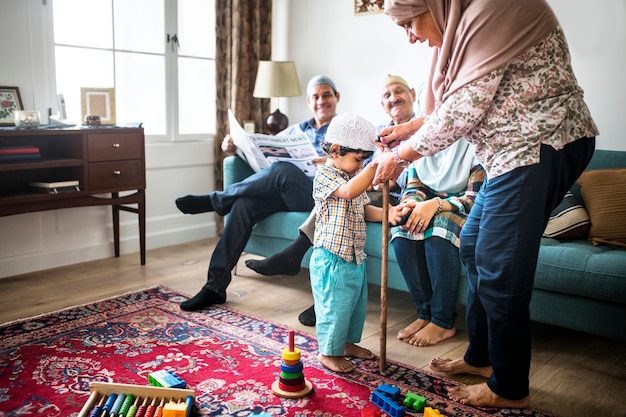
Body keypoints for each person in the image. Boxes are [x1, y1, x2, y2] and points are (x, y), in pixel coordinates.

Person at [374, 0, 598, 409]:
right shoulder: (465, 23)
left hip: (542, 143)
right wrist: (409, 127)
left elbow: (464, 108)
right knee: (473, 244)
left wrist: (402, 154)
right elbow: (462, 102)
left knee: (500, 269)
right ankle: (483, 357)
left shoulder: (492, 10)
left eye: (410, 23)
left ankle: (510, 387)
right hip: (510, 155)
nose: (411, 36)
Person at [245, 74, 418, 326]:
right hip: (367, 189)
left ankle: (294, 255)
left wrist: (384, 176)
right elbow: (362, 172)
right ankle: (317, 294)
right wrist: (368, 171)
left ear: (412, 93)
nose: (393, 98)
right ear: (382, 105)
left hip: (394, 193)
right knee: (334, 192)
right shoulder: (379, 133)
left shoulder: (426, 133)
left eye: (399, 91)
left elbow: (386, 176)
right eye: (387, 95)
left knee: (341, 195)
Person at [175, 75, 340, 311]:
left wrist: (330, 162)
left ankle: (218, 199)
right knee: (244, 204)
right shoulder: (295, 131)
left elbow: (358, 165)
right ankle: (215, 287)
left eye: (327, 95)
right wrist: (234, 148)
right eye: (316, 96)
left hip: (318, 198)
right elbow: (264, 157)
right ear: (308, 101)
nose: (321, 101)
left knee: (283, 170)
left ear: (337, 98)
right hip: (287, 193)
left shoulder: (344, 129)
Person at [308, 112, 403, 373]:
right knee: (334, 309)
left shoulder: (349, 176)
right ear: (336, 150)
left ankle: (345, 344)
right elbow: (349, 193)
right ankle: (328, 352)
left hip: (353, 257)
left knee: (352, 307)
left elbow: (363, 209)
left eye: (364, 161)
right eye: (358, 159)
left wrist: (389, 213)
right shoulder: (325, 176)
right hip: (332, 258)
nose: (361, 165)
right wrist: (376, 166)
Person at [392, 139, 484, 347]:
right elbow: (415, 186)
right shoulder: (421, 142)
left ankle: (443, 322)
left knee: (439, 229)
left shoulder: (475, 145)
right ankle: (425, 313)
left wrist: (436, 204)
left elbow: (475, 197)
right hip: (429, 204)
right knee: (403, 228)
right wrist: (410, 205)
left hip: (465, 209)